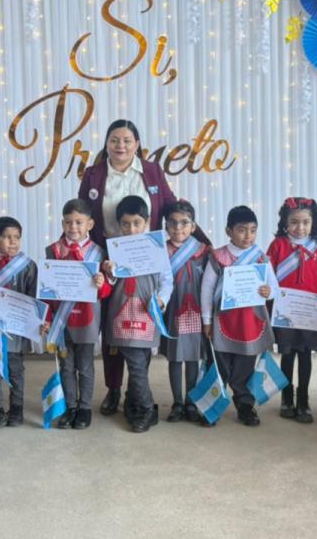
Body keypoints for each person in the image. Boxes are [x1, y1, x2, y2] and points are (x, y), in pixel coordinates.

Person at [76, 120, 182, 417]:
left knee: (140, 324)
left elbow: (172, 206)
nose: (120, 146)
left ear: (137, 143)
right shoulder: (94, 174)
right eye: (114, 140)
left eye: (127, 140)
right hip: (110, 255)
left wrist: (201, 239)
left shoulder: (151, 171)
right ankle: (113, 388)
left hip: (147, 255)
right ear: (106, 143)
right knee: (113, 326)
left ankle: (138, 388)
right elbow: (82, 214)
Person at [201, 206, 279, 426]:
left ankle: (245, 404)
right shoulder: (218, 256)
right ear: (229, 231)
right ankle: (213, 404)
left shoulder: (261, 257)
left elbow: (273, 285)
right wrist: (206, 320)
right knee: (219, 363)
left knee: (246, 363)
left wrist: (268, 292)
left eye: (253, 230)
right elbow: (207, 289)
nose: (248, 235)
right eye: (242, 230)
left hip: (249, 322)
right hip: (223, 319)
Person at [101, 196, 174, 432]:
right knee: (135, 362)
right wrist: (110, 273)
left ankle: (135, 403)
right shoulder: (115, 248)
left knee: (141, 361)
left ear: (146, 222)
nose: (131, 229)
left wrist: (161, 299)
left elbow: (166, 280)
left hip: (147, 310)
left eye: (136, 223)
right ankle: (145, 408)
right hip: (122, 312)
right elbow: (109, 285)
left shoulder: (156, 247)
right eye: (125, 224)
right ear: (119, 224)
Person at [41, 199, 110, 429]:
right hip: (62, 319)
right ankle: (70, 406)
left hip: (88, 319)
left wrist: (102, 283)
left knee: (86, 366)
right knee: (66, 365)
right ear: (62, 222)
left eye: (79, 222)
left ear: (90, 223)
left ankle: (84, 408)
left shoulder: (99, 252)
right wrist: (47, 318)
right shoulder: (52, 250)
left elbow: (106, 290)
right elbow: (46, 289)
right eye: (69, 222)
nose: (73, 227)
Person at [266, 197, 317, 423]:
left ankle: (303, 400)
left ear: (313, 222)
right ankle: (287, 398)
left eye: (305, 222)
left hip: (310, 312)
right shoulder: (277, 246)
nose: (300, 227)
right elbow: (268, 275)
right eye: (294, 222)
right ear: (285, 222)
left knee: (305, 355)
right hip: (285, 311)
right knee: (287, 354)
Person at [0, 217, 39, 427]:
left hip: (16, 328)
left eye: (17, 237)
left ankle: (17, 410)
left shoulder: (28, 265)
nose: (13, 242)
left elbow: (33, 297)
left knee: (16, 370)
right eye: (6, 237)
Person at [160, 200, 209, 423]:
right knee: (174, 357)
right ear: (165, 225)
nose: (178, 228)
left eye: (184, 223)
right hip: (172, 311)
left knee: (193, 358)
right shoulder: (159, 250)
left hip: (195, 311)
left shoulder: (204, 251)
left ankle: (191, 401)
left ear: (193, 226)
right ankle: (177, 402)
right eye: (172, 223)